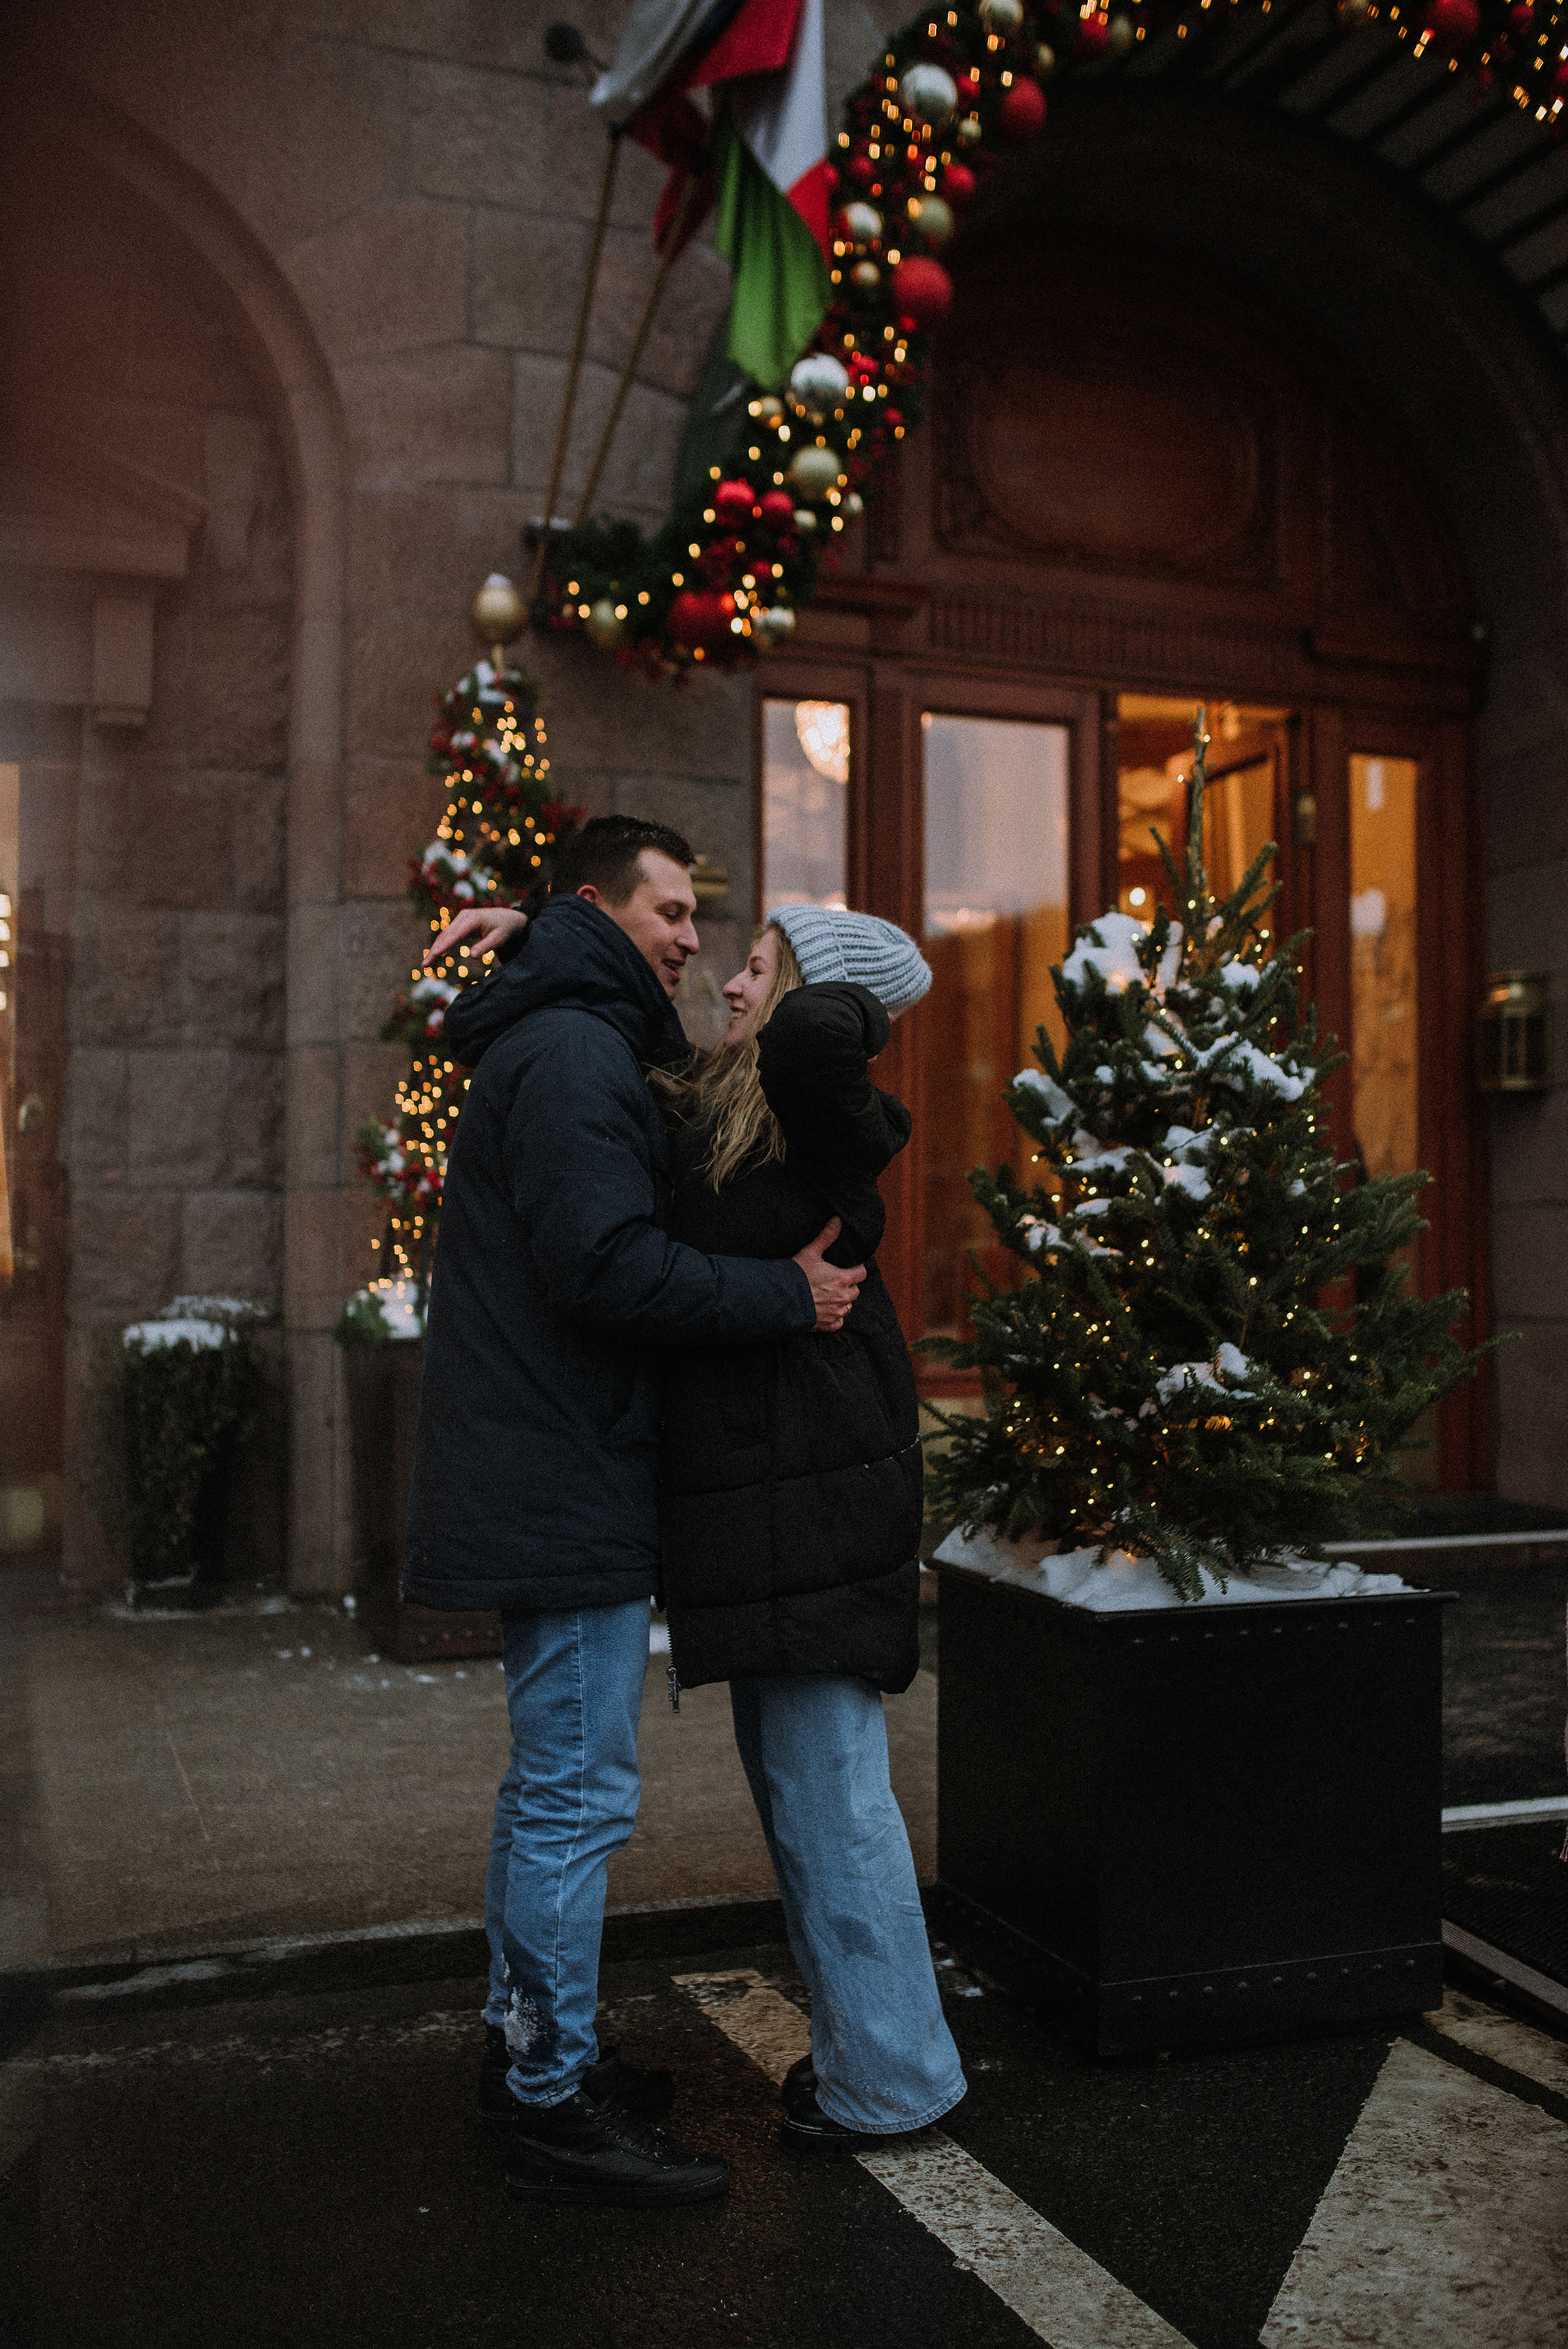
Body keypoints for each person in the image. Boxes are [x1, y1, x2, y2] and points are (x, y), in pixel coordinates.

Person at [407, 816, 865, 2209]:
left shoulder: (581, 1030)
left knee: (549, 1789)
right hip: (565, 1470)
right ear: (608, 910)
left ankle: (531, 2049)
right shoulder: (570, 1051)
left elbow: (675, 1104)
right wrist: (787, 1296)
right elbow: (605, 1264)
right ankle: (551, 2091)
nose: (692, 940)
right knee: (573, 1797)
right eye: (670, 913)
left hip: (559, 1463)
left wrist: (539, 926)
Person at [651, 903, 966, 2146]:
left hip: (815, 1490)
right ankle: (866, 2063)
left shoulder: (823, 1098)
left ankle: (894, 2081)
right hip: (781, 1494)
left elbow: (820, 1043)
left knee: (832, 1800)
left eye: (755, 968)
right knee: (805, 1799)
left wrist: (826, 974)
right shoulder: (749, 1115)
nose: (729, 985)